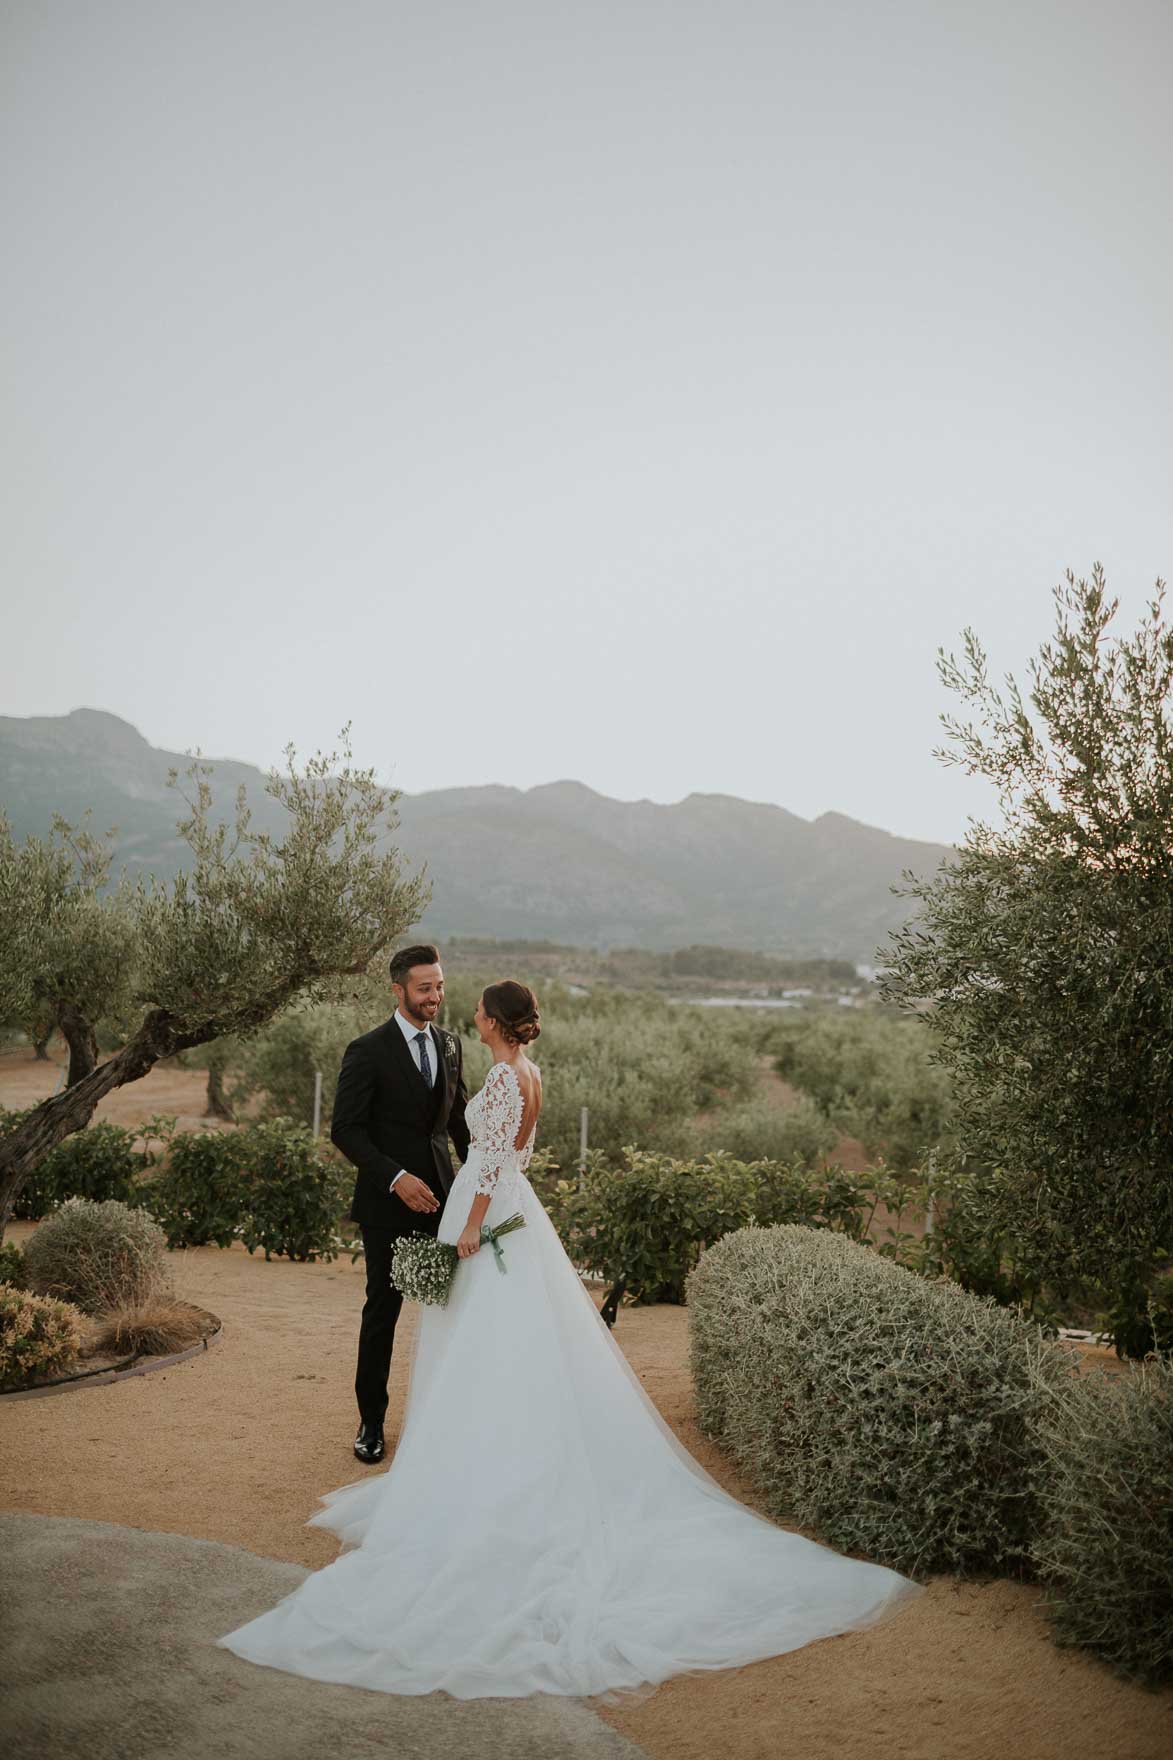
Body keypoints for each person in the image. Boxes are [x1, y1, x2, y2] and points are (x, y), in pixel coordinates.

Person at [218, 978, 922, 1698]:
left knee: (479, 1351)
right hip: (519, 1215)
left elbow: (490, 1164)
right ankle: (495, 1452)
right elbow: (506, 1155)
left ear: (491, 1020)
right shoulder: (531, 1073)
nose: (464, 1011)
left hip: (487, 1216)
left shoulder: (498, 1076)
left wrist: (467, 1227)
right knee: (511, 1352)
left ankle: (485, 1473)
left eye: (476, 1009)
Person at [329, 944, 470, 1464]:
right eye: (424, 988)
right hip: (388, 1206)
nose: (434, 997)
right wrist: (396, 1178)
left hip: (446, 1202)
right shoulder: (366, 1050)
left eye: (439, 987)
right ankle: (371, 1421)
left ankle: (447, 1419)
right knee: (383, 1312)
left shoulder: (452, 1045)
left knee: (453, 1309)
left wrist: (484, 1180)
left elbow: (459, 1125)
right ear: (398, 990)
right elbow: (345, 1130)